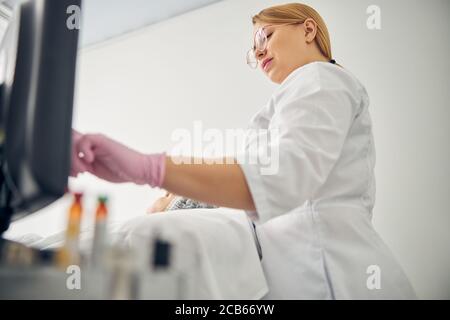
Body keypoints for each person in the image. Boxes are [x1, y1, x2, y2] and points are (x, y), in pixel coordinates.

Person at [71, 3, 416, 299]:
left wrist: (147, 168)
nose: (259, 52)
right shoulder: (294, 98)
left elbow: (279, 180)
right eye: (254, 50)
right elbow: (255, 177)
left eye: (264, 37)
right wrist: (181, 195)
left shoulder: (320, 79)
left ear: (308, 29)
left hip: (341, 279)